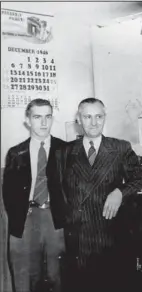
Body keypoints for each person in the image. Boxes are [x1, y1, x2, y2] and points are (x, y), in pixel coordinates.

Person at [53, 98, 142, 292]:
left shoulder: (120, 148)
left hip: (111, 234)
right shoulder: (64, 152)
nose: (94, 122)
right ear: (79, 119)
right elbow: (58, 193)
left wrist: (120, 192)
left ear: (105, 118)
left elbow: (140, 179)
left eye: (99, 116)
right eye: (87, 117)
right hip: (79, 239)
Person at [2, 98, 67, 292]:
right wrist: (19, 218)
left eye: (48, 117)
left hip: (55, 219)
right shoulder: (16, 153)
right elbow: (9, 193)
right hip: (26, 218)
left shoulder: (66, 149)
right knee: (24, 278)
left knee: (58, 276)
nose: (43, 123)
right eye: (37, 117)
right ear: (28, 121)